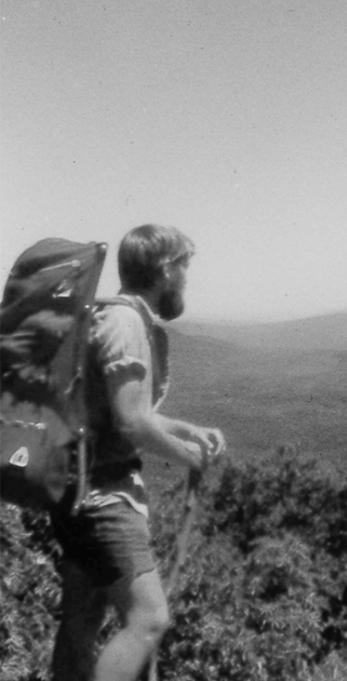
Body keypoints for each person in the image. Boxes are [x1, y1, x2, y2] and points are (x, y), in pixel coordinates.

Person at [49, 224, 227, 681]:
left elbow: (125, 413)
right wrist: (189, 457)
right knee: (149, 619)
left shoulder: (105, 316)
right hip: (103, 498)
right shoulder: (127, 322)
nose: (187, 279)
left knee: (81, 622)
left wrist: (186, 430)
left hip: (74, 490)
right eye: (185, 267)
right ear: (166, 269)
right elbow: (132, 423)